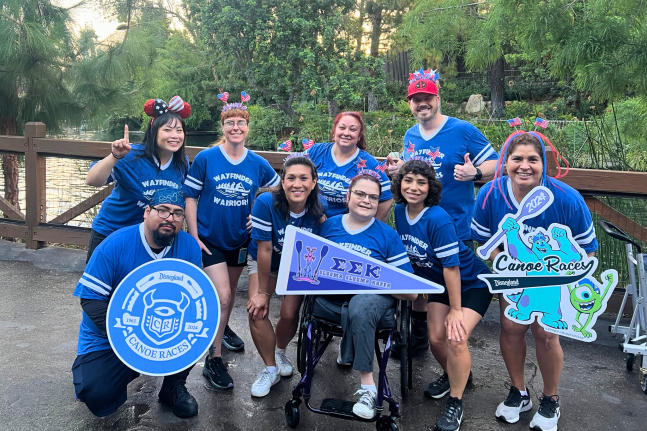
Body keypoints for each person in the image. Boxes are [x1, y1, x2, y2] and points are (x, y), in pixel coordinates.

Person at [471, 131, 598, 431]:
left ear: (544, 164)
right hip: (513, 277)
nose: (524, 166)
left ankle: (550, 399)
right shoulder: (490, 195)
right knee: (512, 328)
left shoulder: (567, 198)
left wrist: (563, 275)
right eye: (517, 159)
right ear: (505, 162)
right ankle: (519, 392)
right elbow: (484, 241)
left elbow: (587, 249)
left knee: (546, 334)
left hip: (553, 279)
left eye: (533, 159)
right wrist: (505, 258)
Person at [385, 69, 499, 356]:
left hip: (455, 224)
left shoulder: (463, 130)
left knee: (452, 290)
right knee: (423, 278)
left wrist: (475, 173)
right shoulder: (410, 134)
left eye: (427, 98)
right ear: (410, 104)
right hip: (419, 224)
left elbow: (497, 163)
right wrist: (399, 171)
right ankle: (419, 338)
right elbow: (414, 172)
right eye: (416, 99)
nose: (422, 104)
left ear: (438, 98)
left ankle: (455, 351)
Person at [72, 188, 201, 418]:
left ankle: (173, 385)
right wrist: (129, 338)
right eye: (163, 211)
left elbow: (195, 302)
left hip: (159, 330)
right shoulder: (114, 245)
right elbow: (90, 300)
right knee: (97, 394)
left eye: (177, 213)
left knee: (197, 330)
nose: (170, 218)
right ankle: (122, 369)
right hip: (110, 336)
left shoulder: (189, 247)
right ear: (147, 212)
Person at [183, 93, 280, 390]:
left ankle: (220, 328)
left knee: (227, 297)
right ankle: (213, 360)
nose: (235, 127)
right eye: (230, 122)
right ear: (222, 127)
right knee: (224, 297)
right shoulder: (206, 158)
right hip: (210, 239)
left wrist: (261, 210)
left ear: (247, 127)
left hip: (239, 240)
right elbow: (190, 195)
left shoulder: (257, 163)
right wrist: (194, 233)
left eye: (241, 122)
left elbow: (280, 192)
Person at [392, 158, 492, 431]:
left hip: (471, 284)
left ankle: (456, 402)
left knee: (455, 336)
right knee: (436, 339)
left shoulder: (438, 219)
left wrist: (456, 311)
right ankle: (455, 374)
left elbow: (452, 268)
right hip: (438, 284)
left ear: (430, 188)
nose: (413, 187)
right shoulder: (400, 212)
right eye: (408, 180)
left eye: (421, 182)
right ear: (400, 183)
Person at [317, 171, 417, 420]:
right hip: (333, 297)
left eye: (373, 197)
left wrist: (375, 280)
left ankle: (368, 389)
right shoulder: (328, 226)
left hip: (374, 298)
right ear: (348, 196)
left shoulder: (387, 235)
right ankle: (349, 341)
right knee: (347, 305)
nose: (366, 200)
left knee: (360, 305)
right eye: (360, 194)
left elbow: (411, 291)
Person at [245, 154, 327, 397]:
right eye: (290, 178)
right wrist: (262, 293)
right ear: (282, 181)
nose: (297, 184)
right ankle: (269, 367)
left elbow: (325, 237)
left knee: (290, 313)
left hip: (297, 263)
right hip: (266, 260)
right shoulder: (266, 202)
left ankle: (280, 352)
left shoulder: (319, 206)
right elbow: (265, 249)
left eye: (303, 178)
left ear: (313, 182)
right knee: (257, 310)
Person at [85, 96, 191, 261]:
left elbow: (183, 203)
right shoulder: (131, 155)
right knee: (103, 285)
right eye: (167, 130)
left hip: (150, 238)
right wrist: (115, 156)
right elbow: (92, 180)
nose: (175, 135)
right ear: (154, 131)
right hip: (112, 231)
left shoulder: (181, 164)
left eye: (179, 130)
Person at [305, 111, 393, 222]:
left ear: (359, 135)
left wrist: (369, 228)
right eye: (342, 128)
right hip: (310, 222)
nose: (346, 133)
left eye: (352, 129)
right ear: (334, 131)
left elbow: (386, 198)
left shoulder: (369, 163)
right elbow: (291, 169)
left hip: (343, 229)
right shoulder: (316, 151)